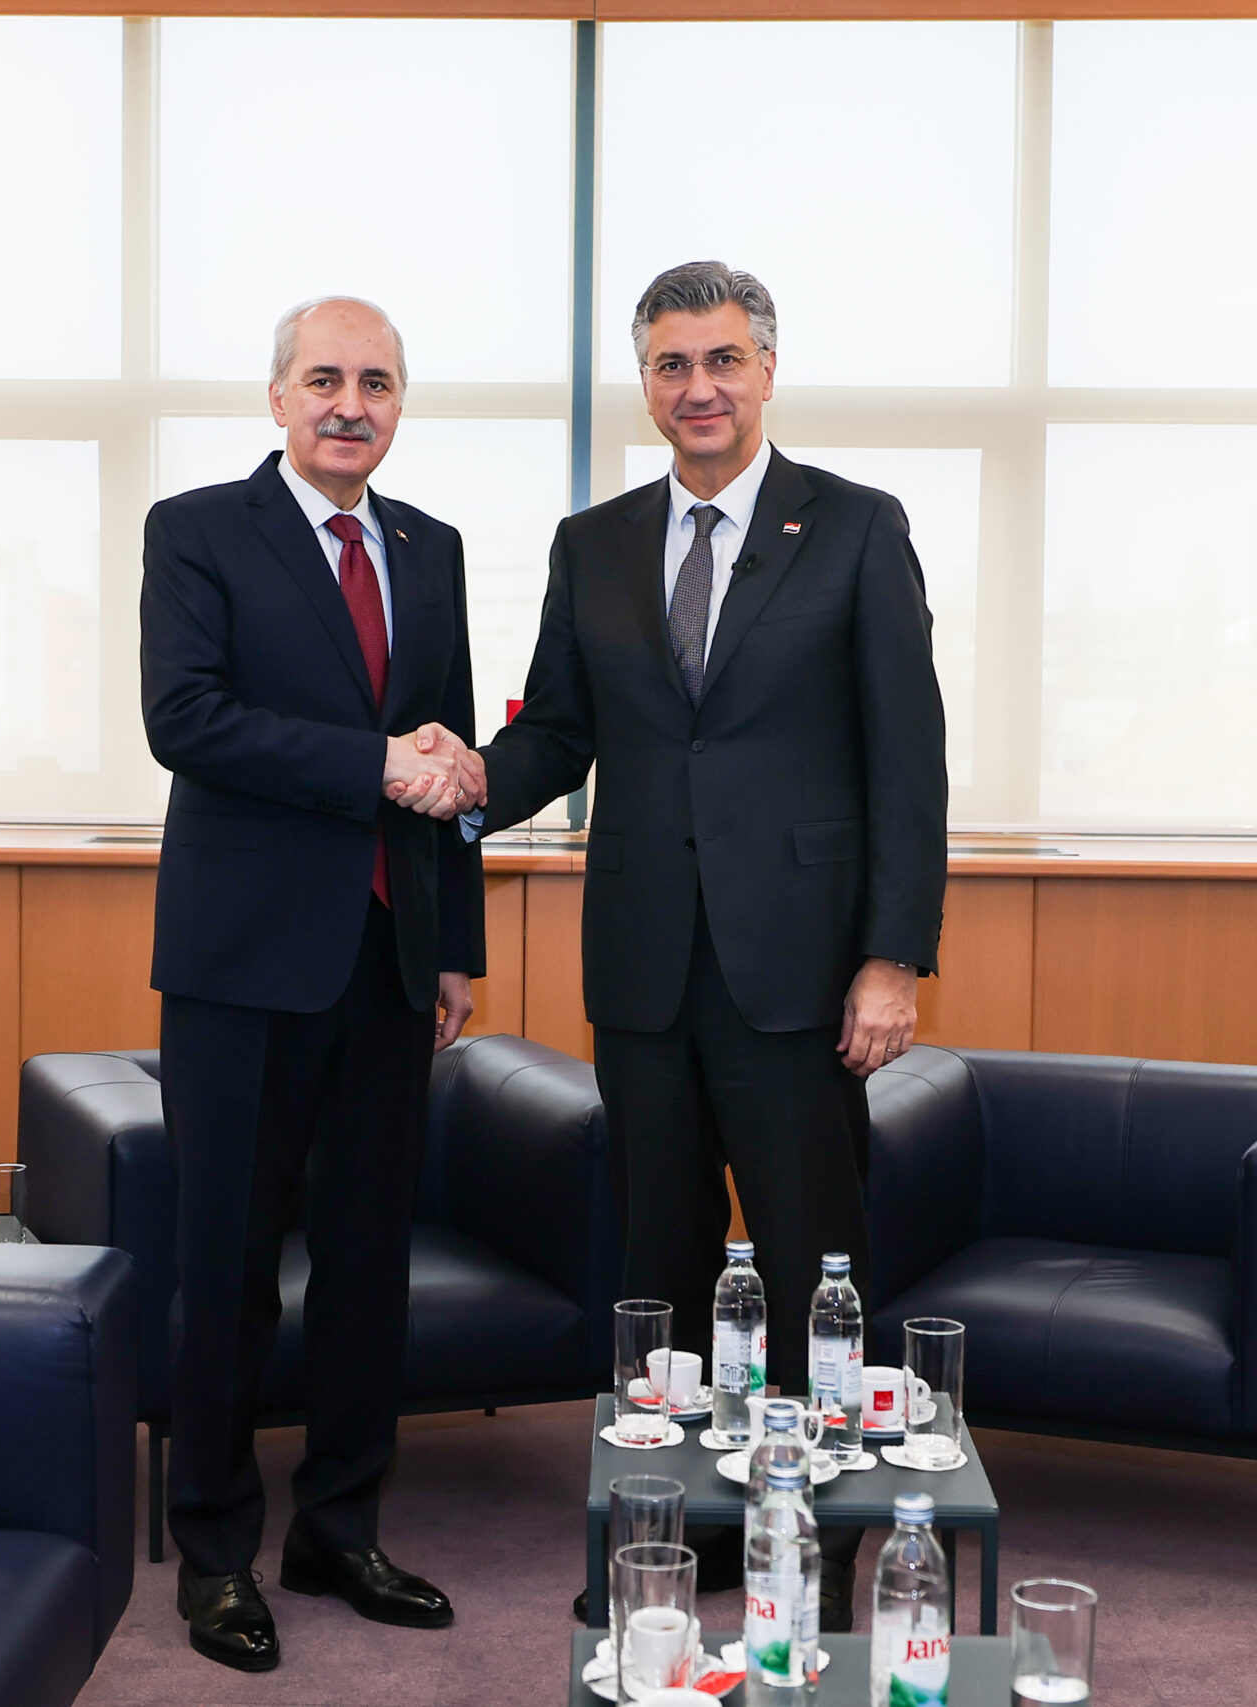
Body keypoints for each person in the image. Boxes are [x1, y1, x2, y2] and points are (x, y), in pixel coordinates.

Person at [417, 260, 948, 1626]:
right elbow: (559, 730)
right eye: (671, 364)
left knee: (809, 1265)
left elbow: (909, 756)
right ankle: (678, 1536)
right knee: (656, 1262)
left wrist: (893, 957)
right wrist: (466, 781)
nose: (698, 387)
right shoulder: (591, 543)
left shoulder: (855, 527)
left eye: (721, 360)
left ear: (766, 370)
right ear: (645, 383)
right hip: (646, 965)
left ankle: (812, 1543)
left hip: (802, 973)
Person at [141, 295, 484, 1672]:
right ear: (278, 397)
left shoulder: (431, 547)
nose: (353, 404)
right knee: (228, 1266)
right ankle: (216, 1551)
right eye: (327, 379)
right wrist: (370, 764)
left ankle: (339, 1528)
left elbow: (448, 756)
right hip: (243, 964)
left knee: (364, 1267)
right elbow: (186, 719)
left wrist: (454, 941)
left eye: (377, 383)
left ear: (399, 404)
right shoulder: (197, 531)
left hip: (390, 960)